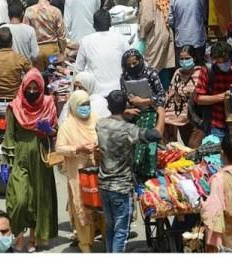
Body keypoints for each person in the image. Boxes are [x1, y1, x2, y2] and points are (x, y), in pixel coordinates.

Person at [96, 90, 164, 253]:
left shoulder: (100, 124)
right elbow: (156, 134)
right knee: (121, 231)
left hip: (104, 185)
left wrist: (123, 112)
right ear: (125, 105)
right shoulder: (129, 129)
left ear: (109, 106)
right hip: (121, 187)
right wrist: (161, 114)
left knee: (111, 228)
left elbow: (115, 120)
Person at [4, 68, 58, 252]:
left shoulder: (49, 103)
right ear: (24, 87)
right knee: (18, 200)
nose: (33, 92)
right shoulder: (14, 107)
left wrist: (50, 131)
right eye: (30, 87)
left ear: (42, 88)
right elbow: (9, 135)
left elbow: (55, 131)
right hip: (20, 158)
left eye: (36, 88)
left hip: (41, 159)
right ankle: (18, 237)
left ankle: (33, 239)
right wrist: (6, 164)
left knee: (37, 199)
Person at [56, 90, 106, 253]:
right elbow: (59, 148)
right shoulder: (67, 126)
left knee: (102, 206)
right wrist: (78, 148)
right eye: (81, 105)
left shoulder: (97, 121)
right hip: (78, 173)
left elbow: (106, 139)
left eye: (87, 104)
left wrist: (99, 148)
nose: (85, 108)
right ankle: (85, 244)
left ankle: (107, 238)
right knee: (82, 207)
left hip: (98, 170)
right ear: (73, 107)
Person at [120, 49, 166, 180]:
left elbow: (162, 97)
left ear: (140, 60)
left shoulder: (151, 73)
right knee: (134, 147)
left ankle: (149, 176)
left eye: (135, 63)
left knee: (149, 146)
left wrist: (144, 101)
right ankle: (136, 176)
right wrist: (128, 108)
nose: (132, 66)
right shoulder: (124, 76)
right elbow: (125, 97)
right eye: (129, 64)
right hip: (134, 114)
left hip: (151, 112)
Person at [193, 41, 232, 139]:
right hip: (217, 124)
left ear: (231, 57)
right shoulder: (208, 71)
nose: (223, 64)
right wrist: (222, 97)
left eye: (225, 60)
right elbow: (199, 99)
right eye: (219, 62)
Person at [162, 46, 204, 144]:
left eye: (187, 58)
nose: (184, 61)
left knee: (192, 145)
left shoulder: (201, 73)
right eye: (181, 59)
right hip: (179, 111)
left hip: (195, 114)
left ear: (194, 58)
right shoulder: (178, 73)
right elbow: (171, 92)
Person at [136, 0, 175, 80]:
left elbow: (147, 20)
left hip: (155, 35)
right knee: (163, 64)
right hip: (164, 33)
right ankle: (164, 88)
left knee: (151, 65)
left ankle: (153, 90)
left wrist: (141, 34)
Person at [23, 0, 64, 70]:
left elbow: (26, 32)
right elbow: (61, 34)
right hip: (52, 50)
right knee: (53, 77)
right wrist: (62, 51)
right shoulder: (56, 11)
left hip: (36, 51)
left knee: (39, 77)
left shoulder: (29, 10)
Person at [168, 0, 206, 65]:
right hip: (197, 39)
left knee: (183, 67)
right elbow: (204, 17)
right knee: (199, 67)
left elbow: (171, 20)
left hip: (181, 39)